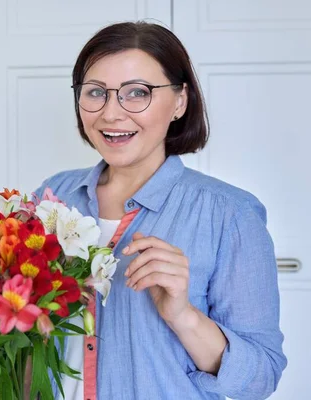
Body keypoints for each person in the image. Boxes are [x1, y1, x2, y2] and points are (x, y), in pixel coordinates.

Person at [33, 21, 287, 400]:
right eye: (96, 92)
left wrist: (183, 316)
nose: (112, 113)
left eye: (137, 92)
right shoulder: (53, 197)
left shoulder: (230, 215)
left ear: (180, 101)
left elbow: (260, 380)